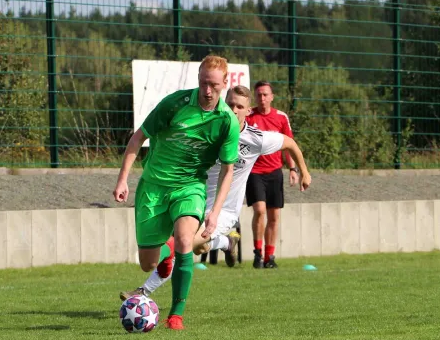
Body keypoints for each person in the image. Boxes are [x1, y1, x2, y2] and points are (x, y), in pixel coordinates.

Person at [120, 85, 311, 303]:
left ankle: (143, 292)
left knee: (181, 246)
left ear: (249, 111)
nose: (234, 109)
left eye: (240, 106)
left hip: (224, 211)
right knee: (199, 247)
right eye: (230, 104)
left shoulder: (257, 139)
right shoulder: (209, 128)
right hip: (195, 199)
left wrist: (303, 171)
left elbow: (290, 143)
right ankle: (227, 242)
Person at [113, 55, 240, 330]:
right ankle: (173, 256)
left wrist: (215, 212)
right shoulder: (175, 104)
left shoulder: (227, 122)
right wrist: (123, 179)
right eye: (204, 83)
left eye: (214, 85)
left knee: (184, 240)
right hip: (154, 187)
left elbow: (228, 170)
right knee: (148, 264)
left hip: (190, 187)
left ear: (225, 83)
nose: (208, 91)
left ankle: (176, 315)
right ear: (198, 79)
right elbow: (138, 138)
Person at [245, 80, 299, 269]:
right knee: (259, 211)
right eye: (259, 94)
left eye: (265, 94)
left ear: (272, 97)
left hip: (275, 172)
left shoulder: (281, 117)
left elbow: (289, 145)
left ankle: (270, 256)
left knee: (274, 216)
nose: (262, 98)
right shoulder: (249, 116)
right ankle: (257, 253)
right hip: (254, 172)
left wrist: (293, 169)